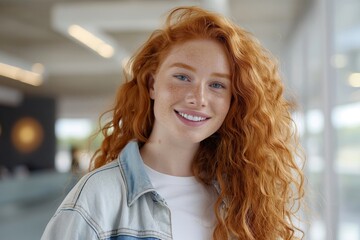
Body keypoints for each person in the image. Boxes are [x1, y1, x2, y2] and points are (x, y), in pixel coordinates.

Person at [42, 6, 304, 240]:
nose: (198, 98)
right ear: (152, 84)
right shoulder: (99, 197)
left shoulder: (241, 198)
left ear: (232, 100)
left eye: (216, 85)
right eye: (182, 76)